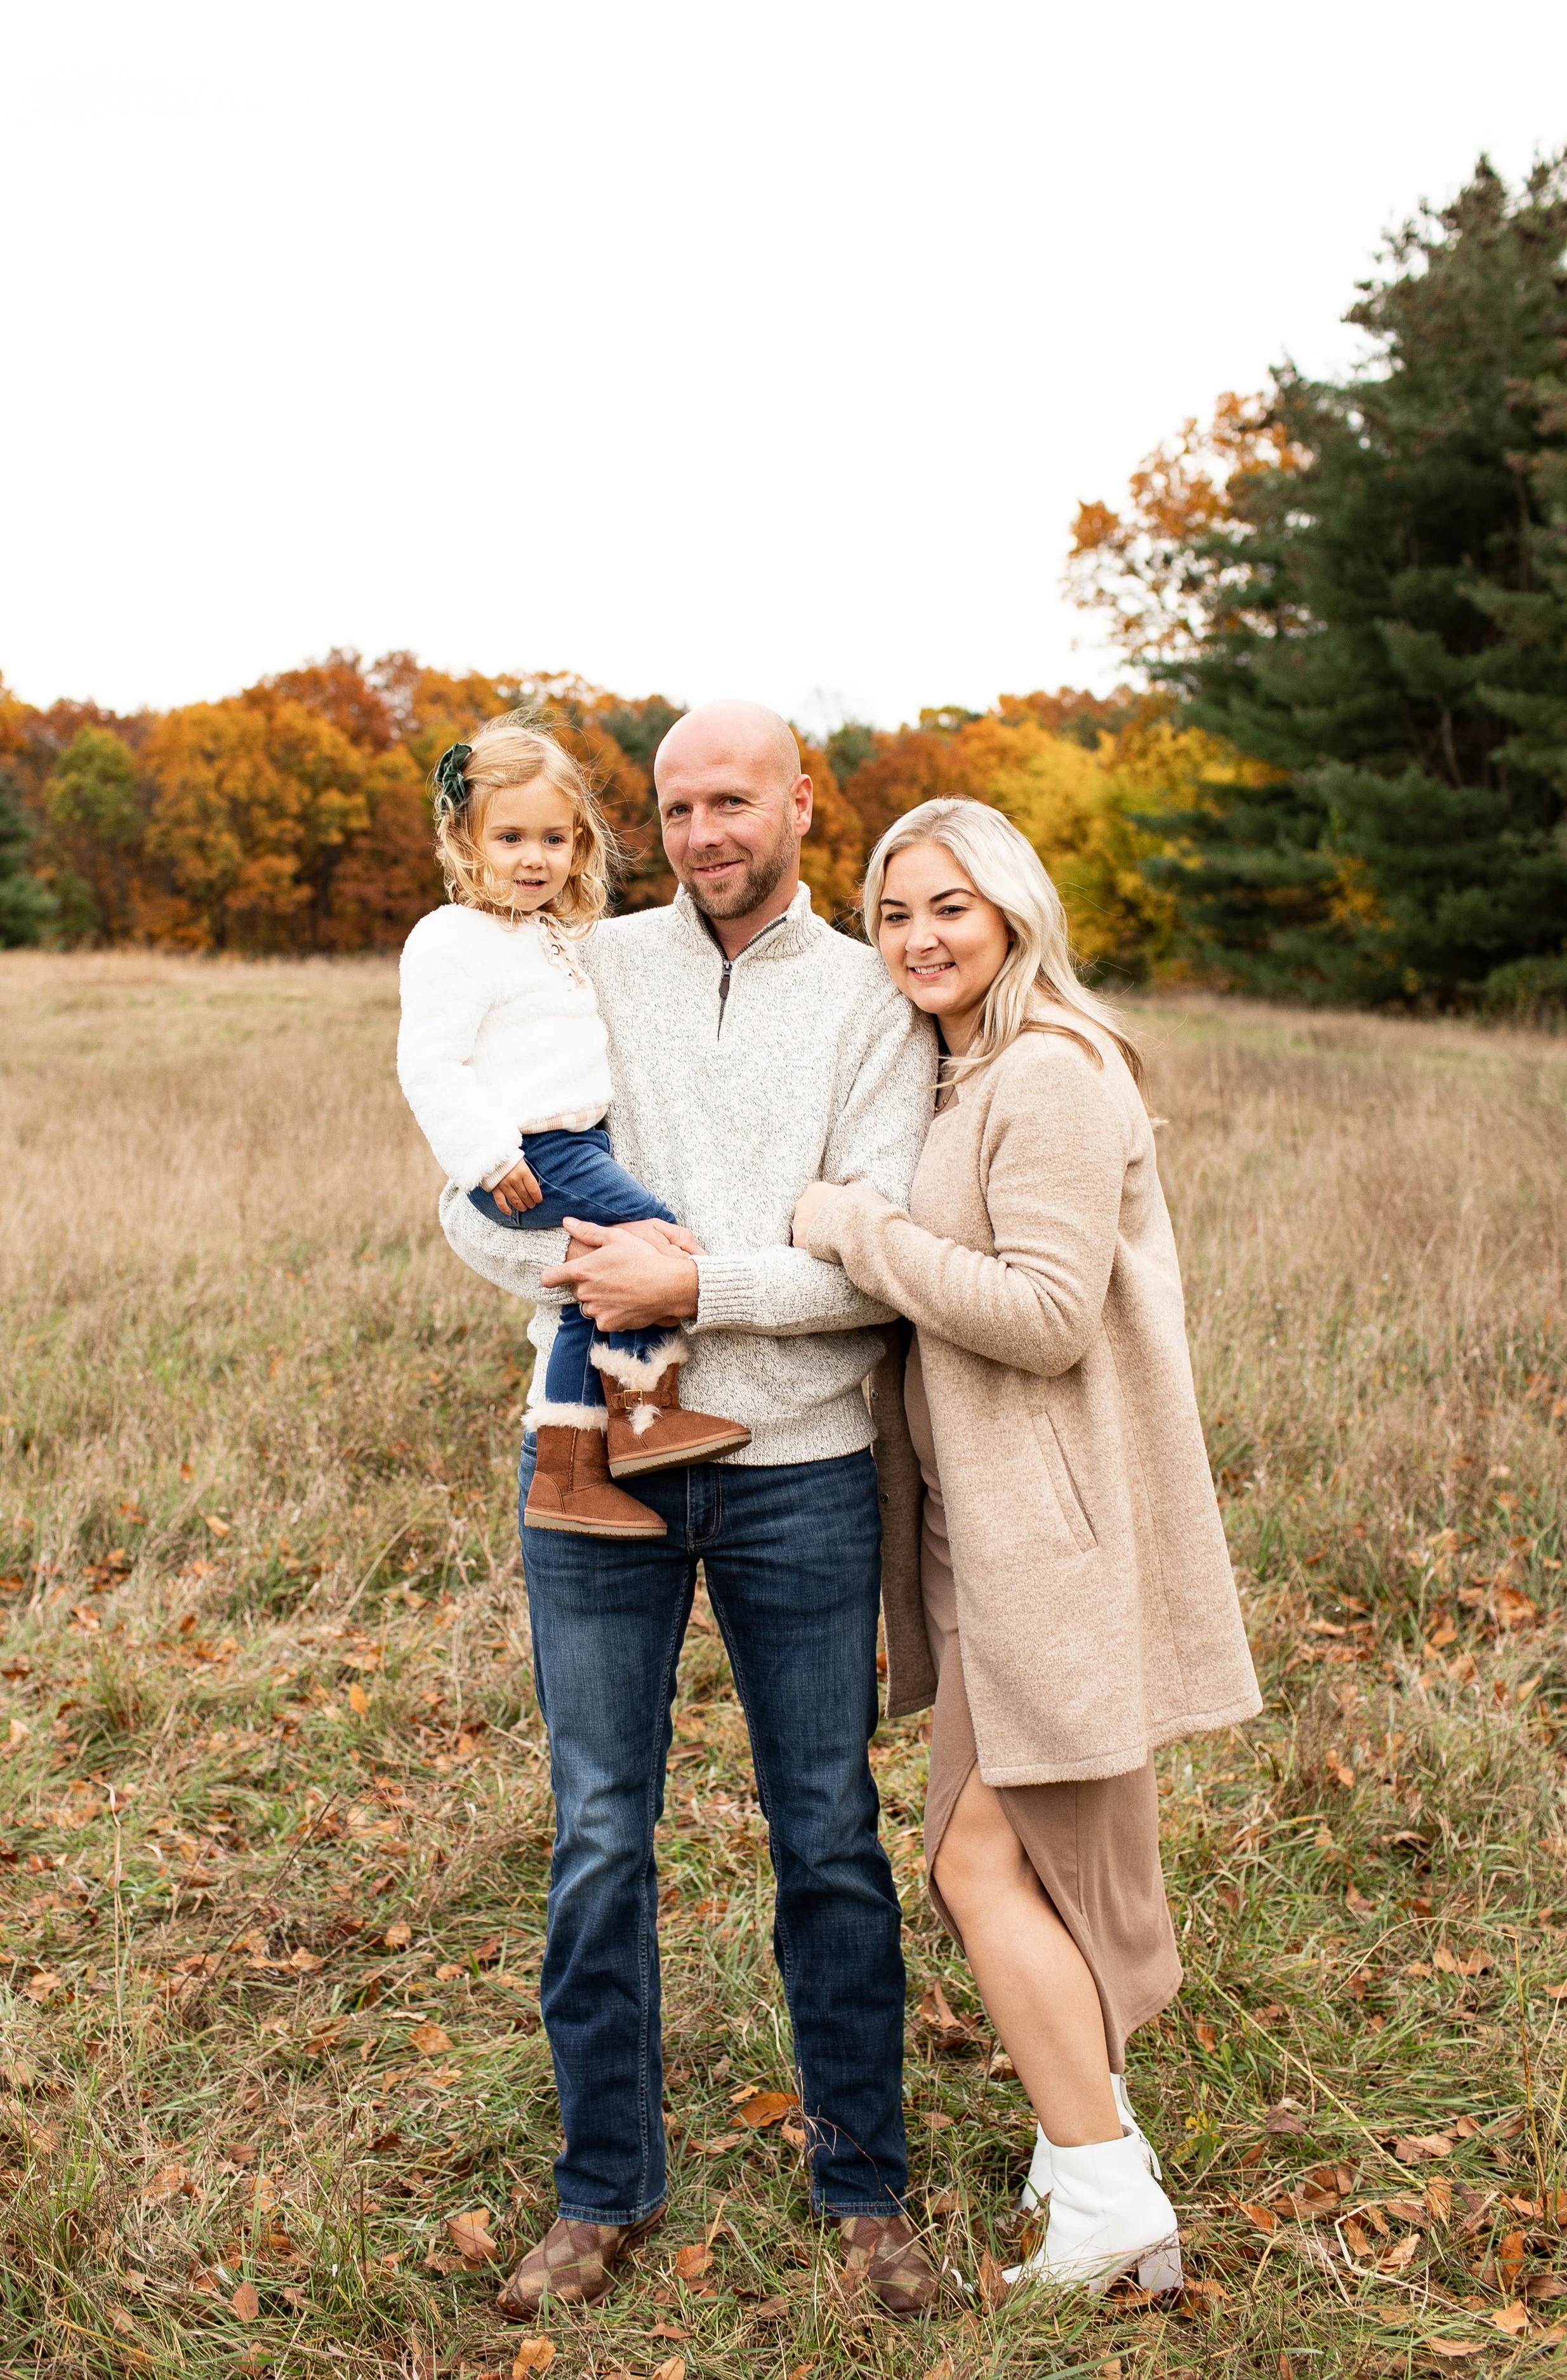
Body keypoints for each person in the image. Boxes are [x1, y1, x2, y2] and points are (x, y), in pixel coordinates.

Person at [433, 701, 942, 2318]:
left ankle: (865, 2187)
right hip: (589, 1451)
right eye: (675, 806)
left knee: (829, 1837)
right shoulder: (581, 959)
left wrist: (695, 1280)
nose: (703, 832)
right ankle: (600, 2193)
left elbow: (875, 1264)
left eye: (732, 799)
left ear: (800, 802)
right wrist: (610, 1278)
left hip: (797, 1472)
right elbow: (480, 1200)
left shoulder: (876, 1002)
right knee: (597, 1834)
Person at [791, 798, 1262, 2295]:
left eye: (948, 907)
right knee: (1011, 1857)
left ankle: (1111, 2193)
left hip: (1048, 1537)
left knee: (978, 1856)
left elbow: (1047, 1318)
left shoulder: (1048, 1073)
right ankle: (1086, 2155)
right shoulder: (963, 1070)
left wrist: (851, 1229)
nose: (918, 938)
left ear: (1009, 911)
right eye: (891, 914)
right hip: (988, 1534)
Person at [396, 711, 750, 1540]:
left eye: (554, 839)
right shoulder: (452, 937)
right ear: (465, 838)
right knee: (657, 1243)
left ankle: (586, 1456)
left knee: (600, 1279)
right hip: (530, 1151)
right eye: (510, 836)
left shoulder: (546, 933)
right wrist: (486, 1156)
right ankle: (629, 1425)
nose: (534, 857)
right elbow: (430, 1064)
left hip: (576, 1143)